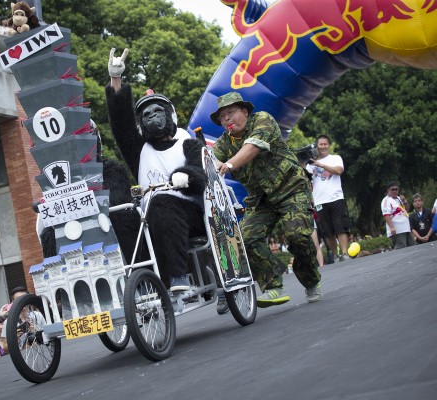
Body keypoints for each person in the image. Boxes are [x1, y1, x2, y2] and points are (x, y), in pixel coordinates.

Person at [105, 48, 207, 294]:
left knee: (162, 202)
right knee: (119, 215)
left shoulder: (189, 143)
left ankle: (177, 275)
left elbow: (201, 175)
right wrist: (115, 80)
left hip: (191, 213)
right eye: (146, 115)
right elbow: (122, 126)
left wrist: (187, 176)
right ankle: (141, 281)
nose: (151, 117)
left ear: (169, 115)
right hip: (150, 216)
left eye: (157, 111)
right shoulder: (140, 151)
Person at [211, 91, 322, 306]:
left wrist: (229, 164)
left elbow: (252, 147)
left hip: (291, 189)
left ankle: (311, 280)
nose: (226, 119)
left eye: (231, 113)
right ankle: (273, 287)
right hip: (261, 200)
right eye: (222, 117)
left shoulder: (262, 120)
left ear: (244, 111)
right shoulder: (224, 143)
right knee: (246, 238)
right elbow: (209, 159)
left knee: (297, 236)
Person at [305, 135, 351, 261]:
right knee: (328, 231)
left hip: (336, 198)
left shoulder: (335, 158)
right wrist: (305, 163)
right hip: (320, 201)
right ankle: (335, 256)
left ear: (329, 145)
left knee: (340, 227)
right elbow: (304, 179)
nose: (323, 146)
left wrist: (321, 165)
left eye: (325, 144)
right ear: (317, 146)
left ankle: (344, 253)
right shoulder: (311, 164)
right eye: (321, 144)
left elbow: (338, 171)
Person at [381, 182, 414, 249]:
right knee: (401, 247)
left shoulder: (399, 198)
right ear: (388, 190)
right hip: (398, 230)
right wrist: (392, 227)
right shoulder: (386, 200)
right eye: (392, 189)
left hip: (405, 228)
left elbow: (406, 211)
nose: (394, 191)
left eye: (396, 189)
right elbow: (386, 215)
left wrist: (404, 201)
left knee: (412, 246)